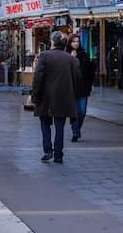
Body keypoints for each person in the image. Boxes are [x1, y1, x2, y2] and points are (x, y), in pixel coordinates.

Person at [31, 31, 82, 163]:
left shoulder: (44, 56)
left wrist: (34, 97)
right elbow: (77, 79)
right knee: (60, 126)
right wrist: (74, 96)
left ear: (52, 42)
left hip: (45, 98)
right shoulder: (71, 59)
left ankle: (48, 150)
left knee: (45, 124)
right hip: (64, 98)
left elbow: (38, 78)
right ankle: (58, 153)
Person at [66, 34, 95, 142]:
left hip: (83, 88)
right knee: (74, 112)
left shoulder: (84, 54)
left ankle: (77, 128)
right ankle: (75, 132)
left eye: (77, 41)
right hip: (71, 88)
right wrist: (72, 59)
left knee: (82, 111)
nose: (76, 43)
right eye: (74, 41)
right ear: (70, 43)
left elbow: (89, 71)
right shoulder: (66, 55)